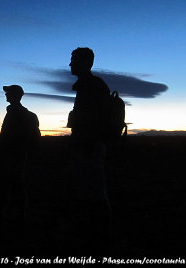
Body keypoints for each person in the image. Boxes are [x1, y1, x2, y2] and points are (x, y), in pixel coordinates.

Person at [66, 47, 112, 255]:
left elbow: (95, 120)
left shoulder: (93, 87)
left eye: (74, 60)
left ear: (87, 63)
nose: (70, 64)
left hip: (89, 149)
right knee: (88, 194)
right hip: (86, 147)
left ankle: (99, 241)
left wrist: (88, 145)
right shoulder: (88, 86)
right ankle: (94, 237)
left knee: (94, 195)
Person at [0, 85, 40, 234]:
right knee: (17, 186)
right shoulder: (26, 114)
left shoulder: (16, 113)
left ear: (15, 95)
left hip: (12, 156)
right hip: (19, 155)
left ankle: (14, 218)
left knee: (11, 187)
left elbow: (9, 137)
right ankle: (19, 217)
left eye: (8, 93)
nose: (6, 95)